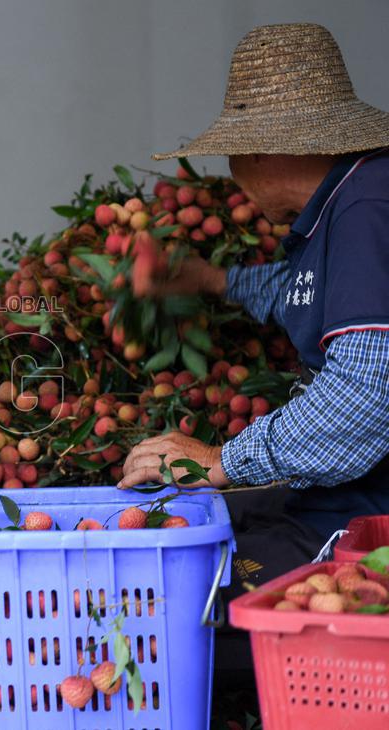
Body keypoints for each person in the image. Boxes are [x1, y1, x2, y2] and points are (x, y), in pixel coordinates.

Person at [118, 23, 389, 676]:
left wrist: (221, 459)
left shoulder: (367, 207)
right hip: (338, 496)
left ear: (266, 151)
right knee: (181, 526)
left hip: (364, 526)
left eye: (235, 156)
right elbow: (309, 293)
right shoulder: (347, 204)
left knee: (172, 596)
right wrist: (210, 280)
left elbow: (367, 392)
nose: (233, 176)